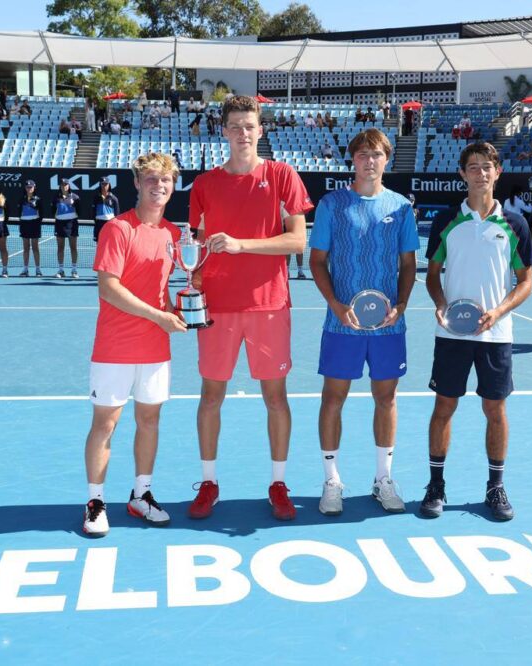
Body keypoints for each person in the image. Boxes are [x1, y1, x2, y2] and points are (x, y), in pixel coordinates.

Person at [186, 95, 313, 521]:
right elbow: (197, 247)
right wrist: (194, 286)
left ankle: (278, 483)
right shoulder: (204, 185)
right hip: (218, 308)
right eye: (235, 126)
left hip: (269, 305)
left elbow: (297, 241)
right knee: (210, 398)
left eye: (250, 126)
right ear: (224, 131)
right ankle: (208, 483)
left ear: (261, 131)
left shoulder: (282, 175)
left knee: (275, 399)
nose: (243, 133)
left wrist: (243, 246)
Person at [422, 142, 532, 521]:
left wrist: (500, 311)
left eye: (487, 167)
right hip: (452, 335)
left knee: (495, 410)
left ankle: (495, 487)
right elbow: (432, 274)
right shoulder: (446, 221)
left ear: (498, 172)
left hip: (496, 336)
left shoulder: (515, 224)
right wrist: (440, 304)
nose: (480, 173)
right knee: (444, 407)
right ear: (462, 174)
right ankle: (436, 485)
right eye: (473, 167)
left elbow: (525, 282)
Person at [309, 128, 418, 516]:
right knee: (333, 398)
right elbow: (317, 261)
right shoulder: (332, 204)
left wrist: (401, 304)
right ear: (352, 160)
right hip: (342, 325)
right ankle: (332, 480)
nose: (369, 161)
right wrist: (337, 305)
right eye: (362, 155)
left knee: (386, 398)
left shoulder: (402, 207)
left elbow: (408, 264)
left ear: (387, 159)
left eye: (376, 154)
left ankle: (383, 478)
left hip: (389, 326)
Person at [82, 153, 187, 536]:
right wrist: (159, 316)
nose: (159, 186)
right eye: (151, 179)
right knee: (106, 424)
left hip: (156, 348)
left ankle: (141, 495)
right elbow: (109, 289)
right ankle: (95, 502)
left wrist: (185, 306)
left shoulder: (175, 235)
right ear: (138, 183)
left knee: (149, 421)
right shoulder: (117, 229)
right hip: (114, 347)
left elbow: (166, 288)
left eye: (166, 180)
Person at [51, 177, 81, 279]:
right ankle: (61, 270)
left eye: (66, 184)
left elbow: (80, 211)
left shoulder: (75, 197)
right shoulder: (56, 198)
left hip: (72, 224)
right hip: (60, 224)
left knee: (73, 247)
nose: (65, 186)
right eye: (63, 185)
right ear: (60, 186)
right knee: (60, 247)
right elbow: (52, 211)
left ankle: (74, 270)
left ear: (69, 186)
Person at [15, 180, 43, 277]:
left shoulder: (38, 199)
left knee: (35, 247)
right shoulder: (21, 199)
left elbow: (42, 214)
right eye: (27, 187)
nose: (29, 189)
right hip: (24, 224)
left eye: (31, 187)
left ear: (34, 188)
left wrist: (36, 219)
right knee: (26, 248)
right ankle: (25, 270)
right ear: (25, 188)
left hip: (35, 224)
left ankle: (38, 270)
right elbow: (19, 212)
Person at [92, 176, 120, 242]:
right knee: (99, 244)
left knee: (110, 243)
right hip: (99, 224)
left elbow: (117, 214)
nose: (104, 186)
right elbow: (93, 212)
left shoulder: (114, 198)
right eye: (103, 184)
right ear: (100, 184)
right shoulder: (96, 198)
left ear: (109, 185)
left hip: (110, 223)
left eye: (106, 184)